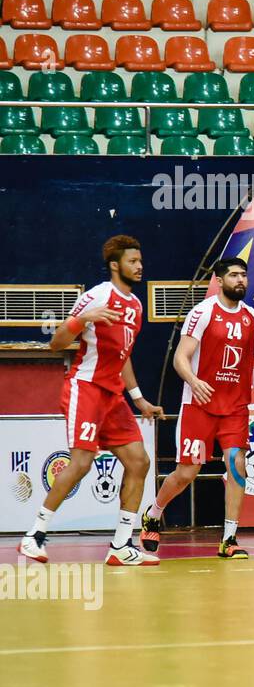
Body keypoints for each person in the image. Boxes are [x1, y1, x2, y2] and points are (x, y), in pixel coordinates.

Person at [18, 236, 164, 566]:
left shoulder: (137, 307)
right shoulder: (97, 296)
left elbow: (123, 356)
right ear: (116, 265)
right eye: (132, 261)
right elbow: (57, 343)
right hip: (86, 389)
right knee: (81, 463)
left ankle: (121, 546)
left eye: (140, 261)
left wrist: (139, 399)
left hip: (113, 395)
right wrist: (86, 318)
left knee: (139, 462)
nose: (139, 266)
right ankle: (34, 536)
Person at [140, 258, 254, 558]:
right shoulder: (202, 312)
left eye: (244, 275)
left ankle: (229, 539)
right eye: (233, 276)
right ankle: (154, 513)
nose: (240, 280)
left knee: (237, 466)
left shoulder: (252, 317)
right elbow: (181, 357)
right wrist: (194, 380)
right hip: (199, 406)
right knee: (187, 472)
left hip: (235, 409)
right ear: (218, 280)